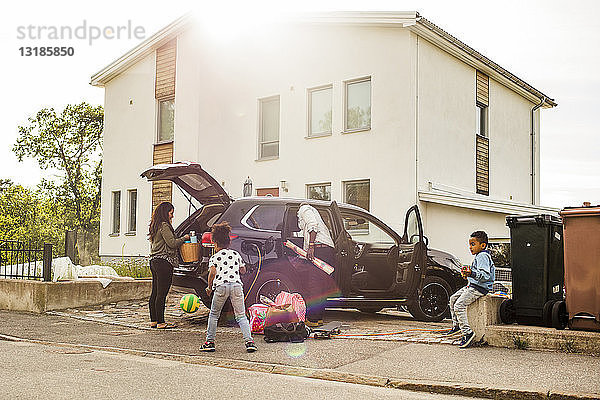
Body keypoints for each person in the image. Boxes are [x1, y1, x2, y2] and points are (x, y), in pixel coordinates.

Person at [200, 221, 257, 353]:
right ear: (229, 242)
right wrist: (240, 269)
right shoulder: (235, 254)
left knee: (214, 315)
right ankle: (249, 342)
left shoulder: (214, 257)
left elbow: (213, 273)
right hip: (236, 286)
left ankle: (210, 342)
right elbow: (242, 270)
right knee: (241, 316)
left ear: (214, 243)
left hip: (221, 286)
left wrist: (209, 288)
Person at [447, 230, 495, 348]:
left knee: (459, 305)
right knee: (453, 299)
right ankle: (457, 326)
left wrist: (472, 273)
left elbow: (485, 276)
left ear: (482, 245)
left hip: (479, 288)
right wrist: (468, 274)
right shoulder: (479, 256)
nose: (470, 247)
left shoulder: (483, 256)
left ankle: (467, 333)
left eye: (473, 244)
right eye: (469, 244)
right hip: (472, 286)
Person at [148, 201, 190, 329]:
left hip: (154, 261)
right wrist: (184, 238)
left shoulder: (155, 225)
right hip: (164, 262)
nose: (172, 215)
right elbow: (172, 243)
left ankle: (154, 321)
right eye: (171, 213)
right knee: (162, 293)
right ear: (165, 213)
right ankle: (161, 323)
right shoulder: (164, 225)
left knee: (155, 292)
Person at [297, 203, 336, 327]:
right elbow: (306, 230)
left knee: (314, 284)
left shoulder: (305, 209)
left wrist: (311, 246)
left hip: (319, 249)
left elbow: (313, 226)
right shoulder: (315, 213)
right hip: (326, 250)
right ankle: (318, 318)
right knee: (322, 285)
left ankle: (313, 319)